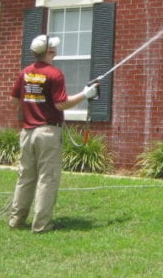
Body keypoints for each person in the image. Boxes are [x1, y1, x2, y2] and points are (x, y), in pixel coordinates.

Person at [8, 34, 98, 233]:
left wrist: (32, 106)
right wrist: (86, 94)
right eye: (53, 48)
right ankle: (41, 225)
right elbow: (61, 104)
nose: (56, 51)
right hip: (47, 133)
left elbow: (15, 101)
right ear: (49, 52)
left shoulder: (25, 73)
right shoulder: (54, 74)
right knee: (47, 179)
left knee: (25, 177)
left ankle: (16, 220)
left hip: (27, 132)